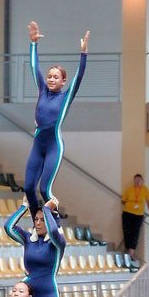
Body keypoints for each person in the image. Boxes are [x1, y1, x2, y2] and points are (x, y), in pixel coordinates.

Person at [25, 21, 89, 220]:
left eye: (56, 77)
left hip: (53, 146)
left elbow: (79, 77)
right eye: (49, 76)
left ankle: (55, 223)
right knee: (28, 188)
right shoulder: (42, 90)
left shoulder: (66, 96)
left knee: (45, 189)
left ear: (63, 81)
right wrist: (33, 44)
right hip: (38, 145)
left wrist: (83, 54)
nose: (51, 79)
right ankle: (37, 223)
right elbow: (34, 67)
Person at [121, 174, 149, 258]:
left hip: (138, 215)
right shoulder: (129, 190)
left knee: (135, 233)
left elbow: (148, 202)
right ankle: (127, 248)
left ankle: (131, 251)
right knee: (127, 231)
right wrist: (131, 205)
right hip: (127, 213)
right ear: (134, 181)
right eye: (136, 179)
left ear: (142, 181)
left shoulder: (145, 189)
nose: (138, 181)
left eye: (140, 180)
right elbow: (123, 201)